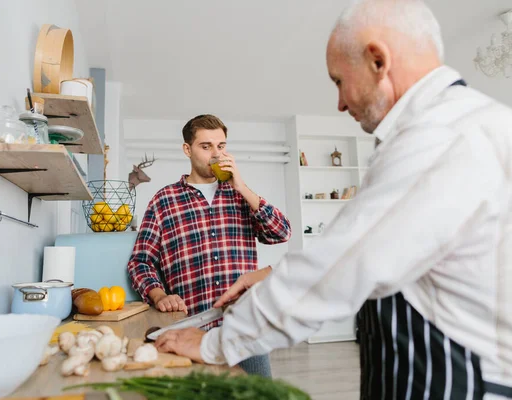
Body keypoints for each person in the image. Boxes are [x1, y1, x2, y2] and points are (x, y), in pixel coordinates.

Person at [153, 1, 512, 398]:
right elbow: (383, 252)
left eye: (338, 81)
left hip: (455, 382)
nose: (339, 103)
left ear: (378, 60)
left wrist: (213, 345)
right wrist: (271, 277)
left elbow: (339, 268)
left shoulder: (438, 138)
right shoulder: (471, 123)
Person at [127, 114, 292, 377]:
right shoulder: (164, 200)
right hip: (191, 331)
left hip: (244, 329)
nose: (216, 154)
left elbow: (281, 233)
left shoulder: (241, 196)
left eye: (221, 146)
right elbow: (140, 261)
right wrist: (160, 296)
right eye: (206, 147)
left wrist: (243, 188)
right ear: (187, 149)